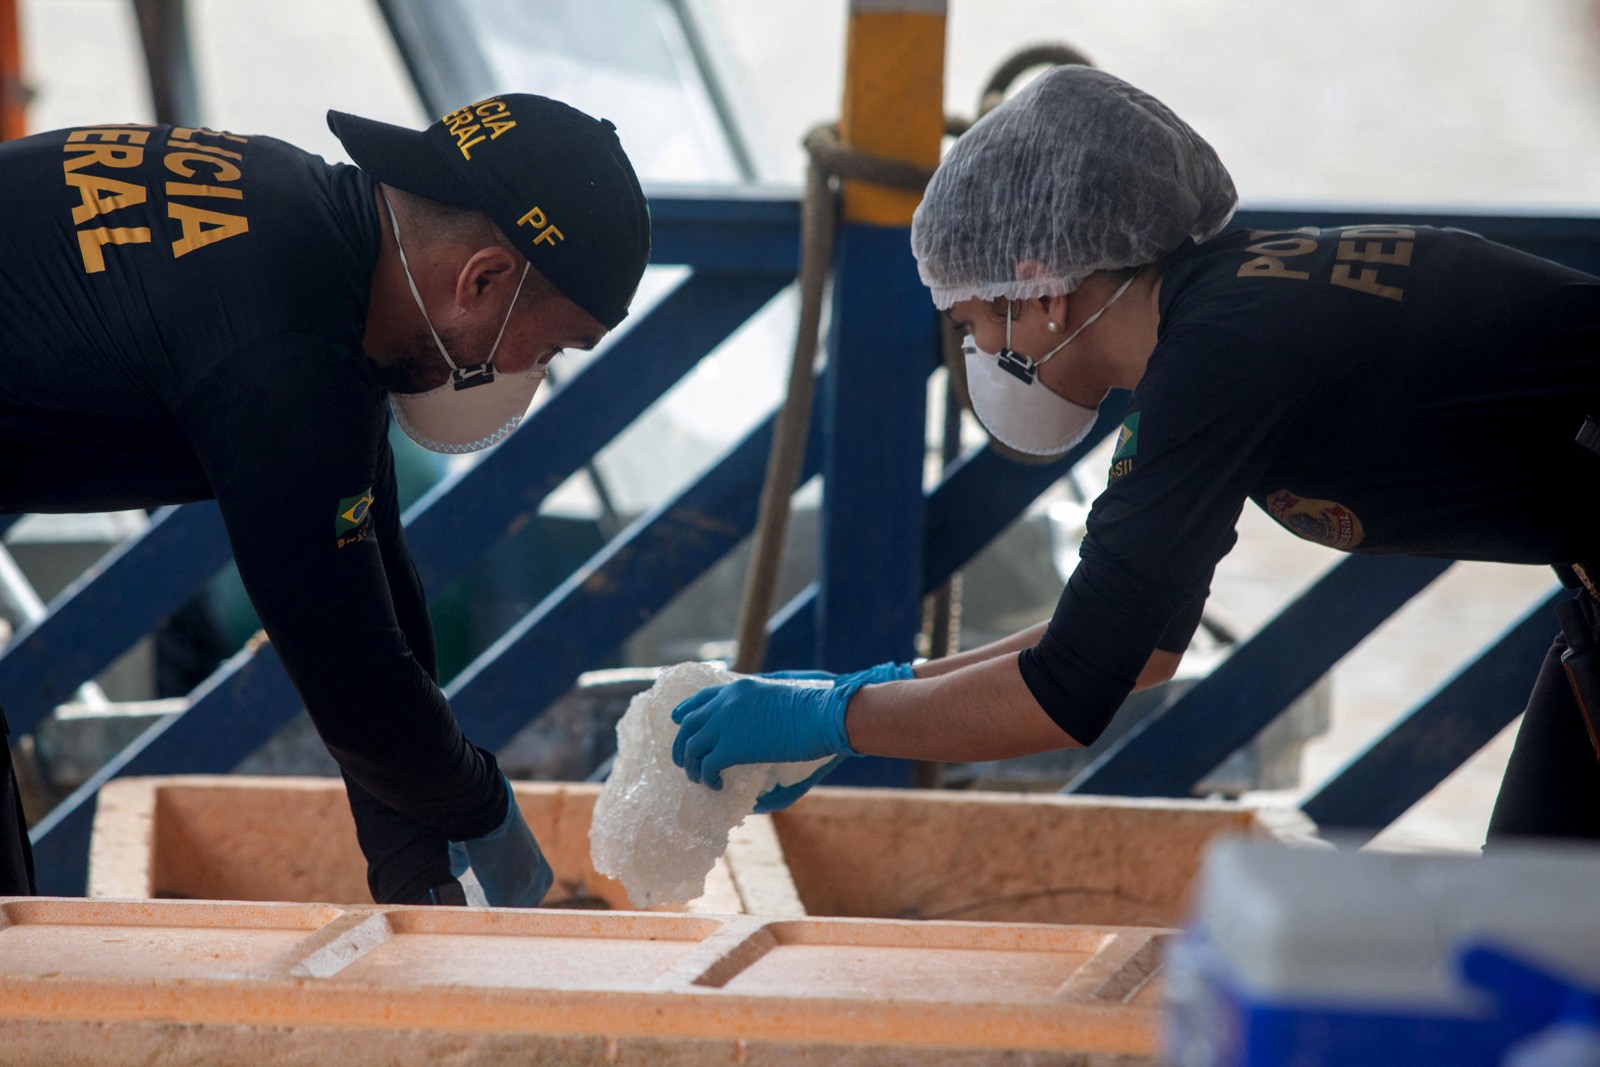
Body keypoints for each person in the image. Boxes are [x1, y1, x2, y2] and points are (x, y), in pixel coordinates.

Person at [671, 65, 1600, 840]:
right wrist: (865, 693)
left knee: (1546, 930)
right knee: (1540, 915)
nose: (978, 356)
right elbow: (1138, 648)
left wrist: (833, 719)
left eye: (968, 321)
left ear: (1040, 292)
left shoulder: (1217, 360)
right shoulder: (1227, 314)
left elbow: (1069, 693)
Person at [0, 92, 651, 902]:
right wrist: (482, 803)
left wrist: (418, 871)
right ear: (484, 280)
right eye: (551, 343)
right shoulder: (285, 354)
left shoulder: (308, 228)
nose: (534, 369)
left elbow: (377, 594)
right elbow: (350, 677)